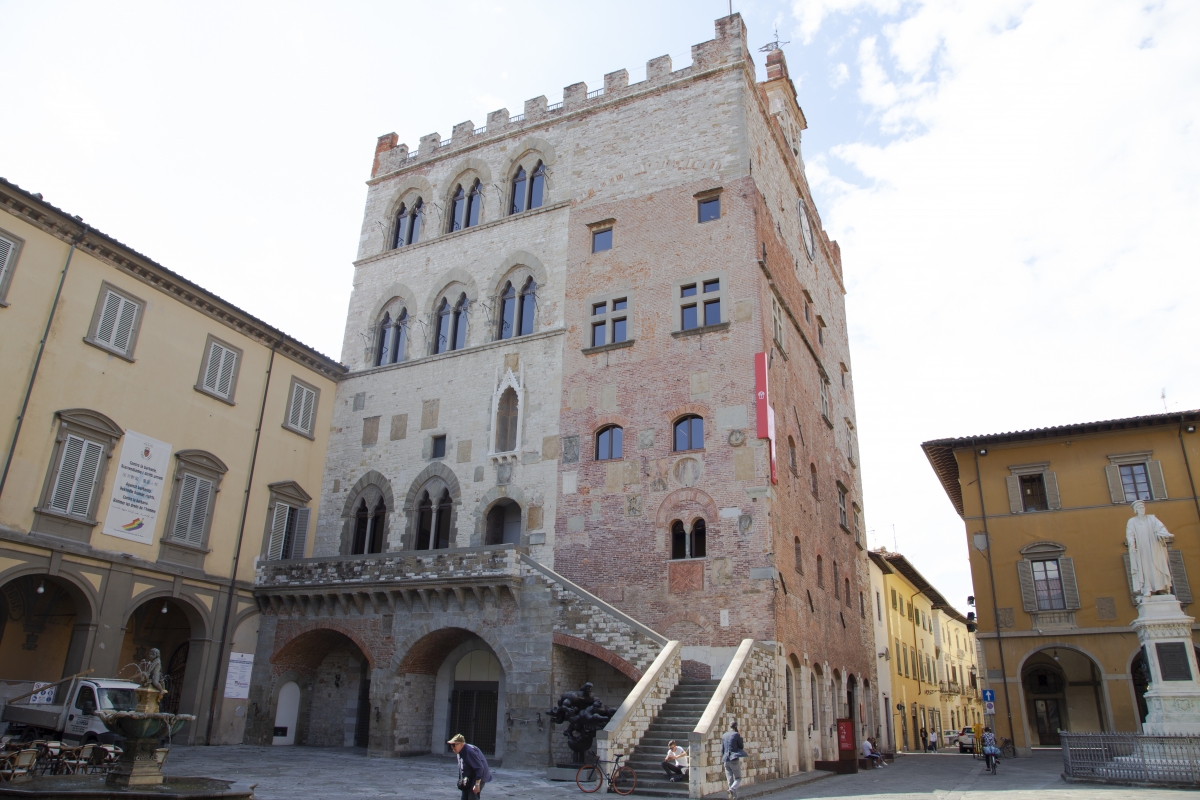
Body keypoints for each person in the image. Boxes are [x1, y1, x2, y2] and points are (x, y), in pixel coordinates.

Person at [448, 734, 492, 799]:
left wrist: (477, 784)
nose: (452, 748)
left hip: (477, 778)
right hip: (468, 778)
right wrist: (461, 780)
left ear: (462, 744)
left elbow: (479, 768)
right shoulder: (459, 752)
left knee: (472, 797)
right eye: (451, 745)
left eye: (454, 745)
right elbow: (462, 768)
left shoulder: (469, 751)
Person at [720, 721, 745, 800]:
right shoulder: (736, 734)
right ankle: (732, 790)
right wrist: (740, 737)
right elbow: (741, 746)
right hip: (733, 759)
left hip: (725, 760)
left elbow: (722, 749)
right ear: (736, 727)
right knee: (738, 778)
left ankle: (734, 797)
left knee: (730, 780)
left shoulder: (724, 735)